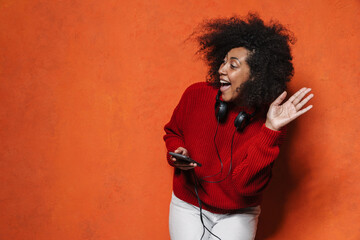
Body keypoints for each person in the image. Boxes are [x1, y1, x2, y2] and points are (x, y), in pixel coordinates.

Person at [163, 13, 313, 240]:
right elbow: (173, 132)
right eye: (223, 61)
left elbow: (246, 187)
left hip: (238, 213)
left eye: (233, 65)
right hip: (188, 205)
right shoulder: (195, 94)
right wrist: (177, 151)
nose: (222, 69)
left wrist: (271, 129)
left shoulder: (271, 120)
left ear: (256, 76)